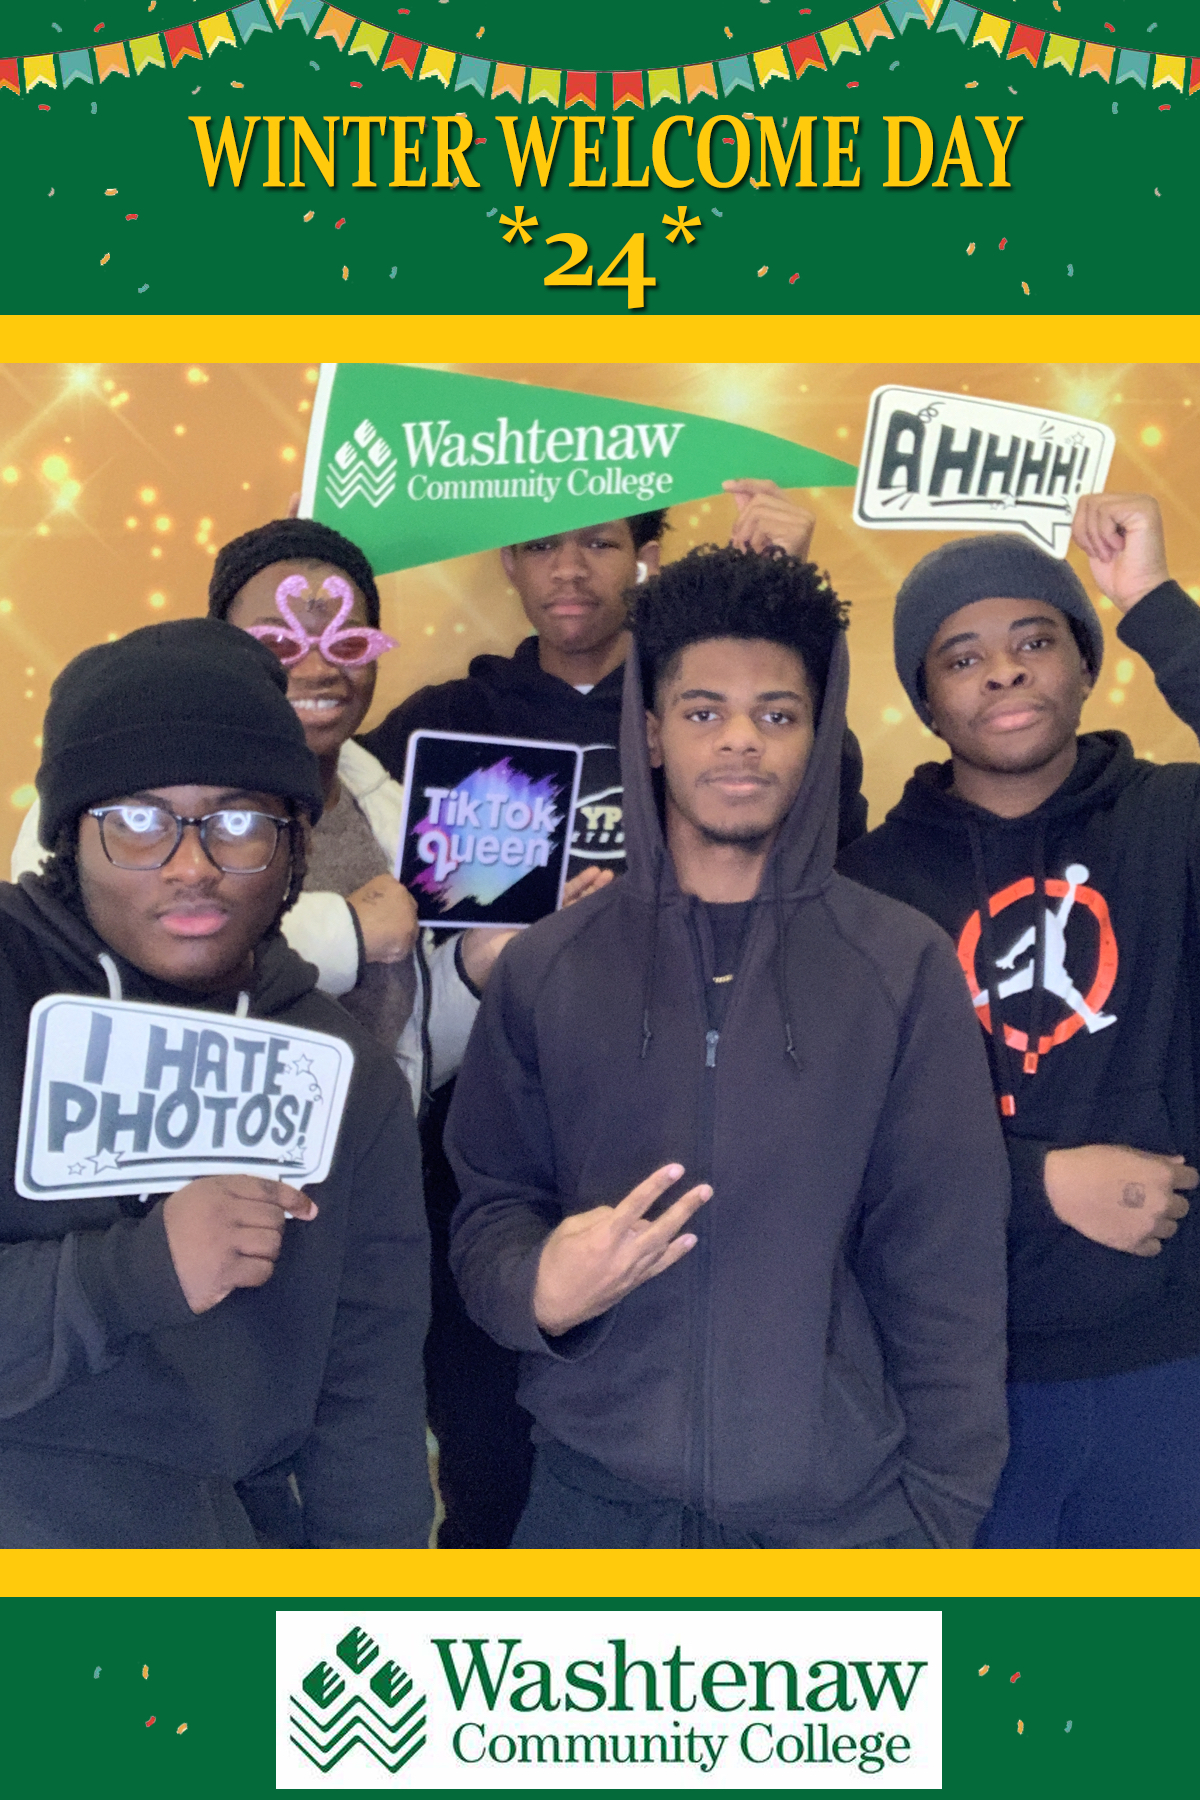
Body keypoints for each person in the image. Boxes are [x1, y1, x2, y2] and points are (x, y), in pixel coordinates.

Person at [445, 543, 1011, 1548]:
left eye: (777, 715)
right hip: (591, 1515)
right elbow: (490, 1208)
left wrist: (939, 1518)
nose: (741, 740)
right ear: (652, 731)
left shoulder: (900, 965)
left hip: (840, 1526)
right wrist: (537, 1288)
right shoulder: (549, 968)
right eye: (705, 711)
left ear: (817, 735)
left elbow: (947, 1269)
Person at [361, 481, 867, 1548]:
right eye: (540, 544)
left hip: (706, 1125)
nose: (569, 568)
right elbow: (366, 886)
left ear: (644, 556)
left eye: (599, 541)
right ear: (506, 561)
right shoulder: (442, 725)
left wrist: (776, 608)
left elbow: (822, 842)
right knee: (490, 1455)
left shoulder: (717, 727)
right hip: (491, 1135)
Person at [0, 618, 432, 1546]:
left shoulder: (345, 1074)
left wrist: (376, 1615)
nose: (191, 866)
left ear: (294, 845)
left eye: (238, 821)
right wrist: (135, 1273)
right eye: (138, 820)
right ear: (70, 836)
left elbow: (369, 1403)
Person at [838, 494, 1200, 1548]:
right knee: (975, 1653)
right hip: (947, 1378)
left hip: (1166, 1364)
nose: (1003, 671)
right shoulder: (867, 888)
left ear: (1087, 664)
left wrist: (1152, 599)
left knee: (1146, 1654)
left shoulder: (1173, 820)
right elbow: (841, 1143)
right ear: (925, 701)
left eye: (1035, 641)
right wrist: (1035, 1184)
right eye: (963, 657)